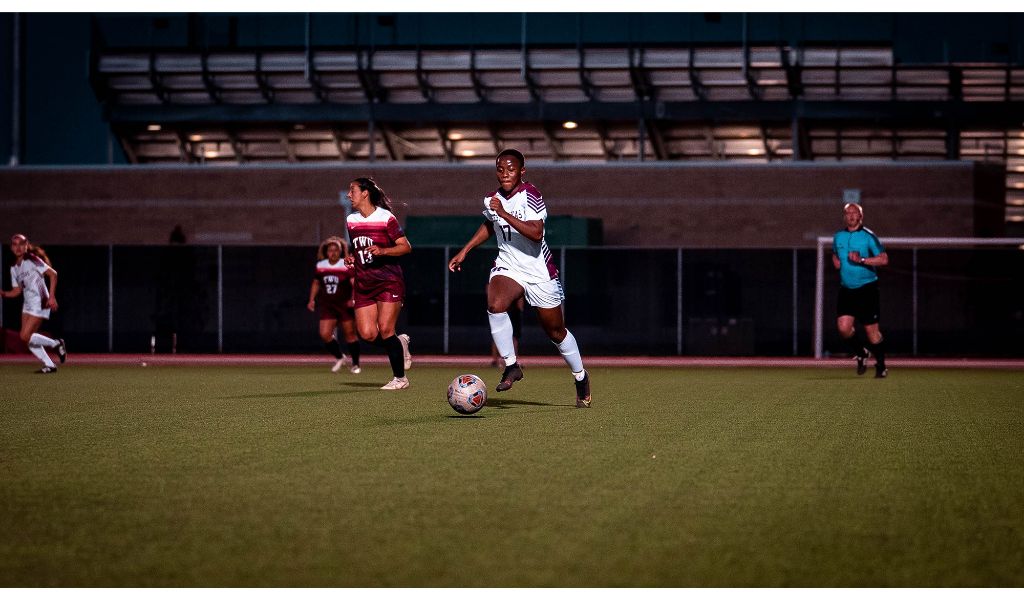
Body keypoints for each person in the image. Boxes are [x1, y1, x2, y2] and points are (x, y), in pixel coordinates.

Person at [448, 149, 591, 408]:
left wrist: (503, 213)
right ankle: (511, 365)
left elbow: (536, 233)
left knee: (556, 332)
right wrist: (465, 250)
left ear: (522, 171)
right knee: (495, 304)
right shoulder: (491, 199)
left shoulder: (531, 195)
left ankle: (580, 377)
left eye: (511, 169)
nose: (505, 174)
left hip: (538, 271)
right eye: (500, 169)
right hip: (508, 265)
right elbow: (488, 226)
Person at [345, 177, 413, 390]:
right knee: (367, 334)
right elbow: (356, 248)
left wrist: (383, 251)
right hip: (364, 283)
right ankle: (399, 343)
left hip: (388, 281)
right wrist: (352, 258)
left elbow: (405, 247)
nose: (349, 195)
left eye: (352, 190)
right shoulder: (351, 220)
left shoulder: (386, 218)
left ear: (365, 193)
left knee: (385, 329)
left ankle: (400, 379)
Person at [832, 202, 889, 378]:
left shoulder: (868, 236)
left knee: (872, 333)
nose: (851, 215)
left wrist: (862, 260)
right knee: (843, 328)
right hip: (847, 289)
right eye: (847, 213)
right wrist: (836, 262)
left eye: (854, 213)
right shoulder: (838, 236)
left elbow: (884, 259)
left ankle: (881, 366)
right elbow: (835, 253)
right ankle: (862, 353)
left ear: (860, 216)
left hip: (867, 289)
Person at [1, 234, 67, 373]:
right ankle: (49, 365)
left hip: (41, 300)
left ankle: (56, 343)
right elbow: (17, 291)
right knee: (28, 339)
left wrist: (52, 297)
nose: (18, 247)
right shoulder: (14, 268)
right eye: (15, 244)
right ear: (11, 247)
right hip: (28, 304)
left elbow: (53, 274)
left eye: (21, 243)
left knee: (25, 335)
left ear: (27, 245)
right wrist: (3, 294)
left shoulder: (32, 259)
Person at [307, 236, 362, 374]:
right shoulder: (321, 266)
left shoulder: (345, 265)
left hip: (344, 304)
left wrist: (354, 298)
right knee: (325, 334)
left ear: (340, 251)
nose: (333, 253)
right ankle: (340, 356)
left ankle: (355, 364)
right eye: (330, 250)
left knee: (350, 334)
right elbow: (316, 283)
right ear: (326, 252)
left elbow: (354, 283)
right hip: (328, 305)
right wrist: (311, 300)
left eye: (335, 250)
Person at [489, 296, 523, 368]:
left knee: (503, 336)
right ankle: (509, 361)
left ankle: (496, 360)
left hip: (502, 310)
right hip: (509, 311)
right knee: (511, 337)